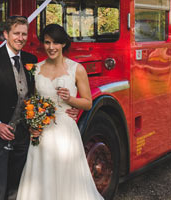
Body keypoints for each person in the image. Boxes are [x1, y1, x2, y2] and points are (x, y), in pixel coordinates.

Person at [0, 17, 79, 200]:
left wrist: (70, 107)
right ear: (5, 34)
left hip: (24, 135)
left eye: (24, 34)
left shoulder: (31, 60)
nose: (20, 38)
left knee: (17, 188)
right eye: (16, 33)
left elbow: (39, 94)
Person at [16, 24, 104, 200]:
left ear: (63, 44)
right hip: (41, 134)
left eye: (56, 43)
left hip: (65, 132)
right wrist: (32, 125)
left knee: (67, 179)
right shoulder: (35, 68)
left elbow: (88, 103)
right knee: (41, 178)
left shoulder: (76, 69)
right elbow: (31, 101)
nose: (51, 47)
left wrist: (70, 100)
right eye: (47, 42)